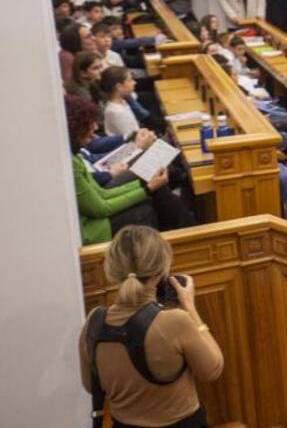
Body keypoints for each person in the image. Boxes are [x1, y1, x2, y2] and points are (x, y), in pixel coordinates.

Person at [79, 226, 223, 428]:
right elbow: (213, 369)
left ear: (112, 270)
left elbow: (90, 385)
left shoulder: (94, 322)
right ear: (161, 269)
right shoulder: (174, 322)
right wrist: (190, 307)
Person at [66, 95, 194, 244]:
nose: (95, 128)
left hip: (105, 172)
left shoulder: (75, 155)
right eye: (88, 124)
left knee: (150, 179)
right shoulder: (71, 161)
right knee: (146, 204)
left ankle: (186, 232)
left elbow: (101, 191)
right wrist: (145, 187)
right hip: (97, 217)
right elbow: (100, 207)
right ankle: (185, 232)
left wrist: (146, 186)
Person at [101, 66, 141, 138]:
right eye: (130, 80)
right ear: (119, 86)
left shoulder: (122, 102)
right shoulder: (116, 112)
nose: (135, 83)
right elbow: (132, 139)